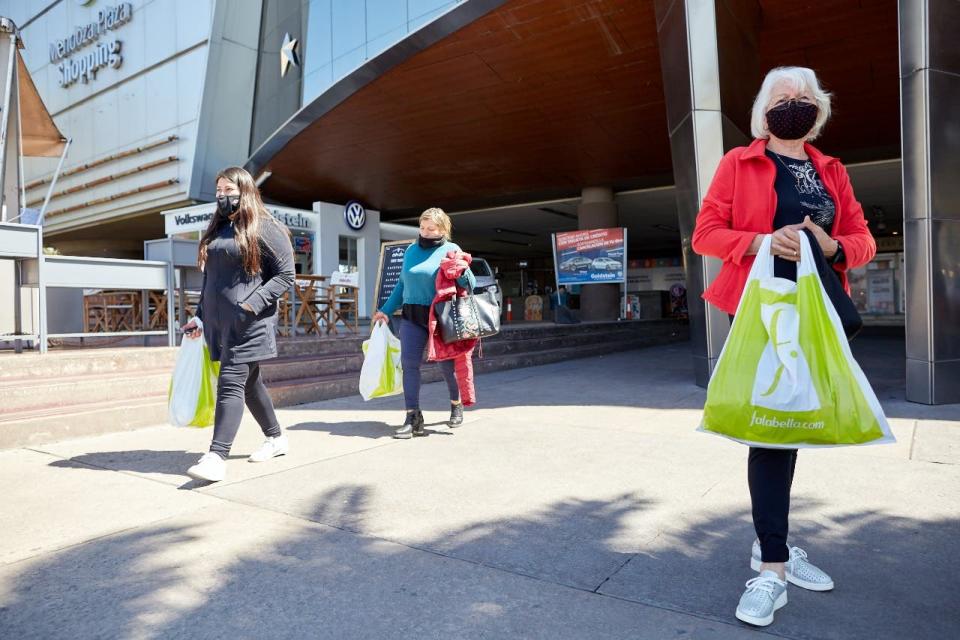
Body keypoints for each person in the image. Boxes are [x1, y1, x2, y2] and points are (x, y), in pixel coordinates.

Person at [691, 67, 876, 627]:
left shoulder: (832, 171)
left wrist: (831, 244)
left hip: (818, 316)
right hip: (763, 312)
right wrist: (762, 240)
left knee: (791, 430)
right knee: (770, 432)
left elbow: (863, 241)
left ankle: (770, 545)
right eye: (781, 98)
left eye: (803, 98)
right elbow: (705, 233)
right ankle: (772, 566)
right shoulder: (739, 162)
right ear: (762, 111)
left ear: (817, 109)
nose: (792, 105)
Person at [181, 167, 296, 482]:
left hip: (250, 323)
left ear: (244, 190)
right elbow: (211, 281)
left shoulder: (266, 227)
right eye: (218, 190)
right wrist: (198, 316)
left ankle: (217, 456)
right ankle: (276, 438)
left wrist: (251, 305)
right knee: (249, 383)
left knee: (231, 382)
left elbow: (286, 275)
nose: (222, 195)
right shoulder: (219, 229)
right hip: (220, 325)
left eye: (228, 189)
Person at [372, 208, 476, 438]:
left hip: (440, 317)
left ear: (442, 229)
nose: (426, 233)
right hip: (412, 316)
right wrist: (385, 310)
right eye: (422, 227)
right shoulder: (410, 250)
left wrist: (459, 269)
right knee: (409, 364)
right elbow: (401, 285)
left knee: (446, 366)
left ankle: (455, 402)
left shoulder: (451, 250)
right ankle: (413, 417)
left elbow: (470, 284)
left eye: (431, 228)